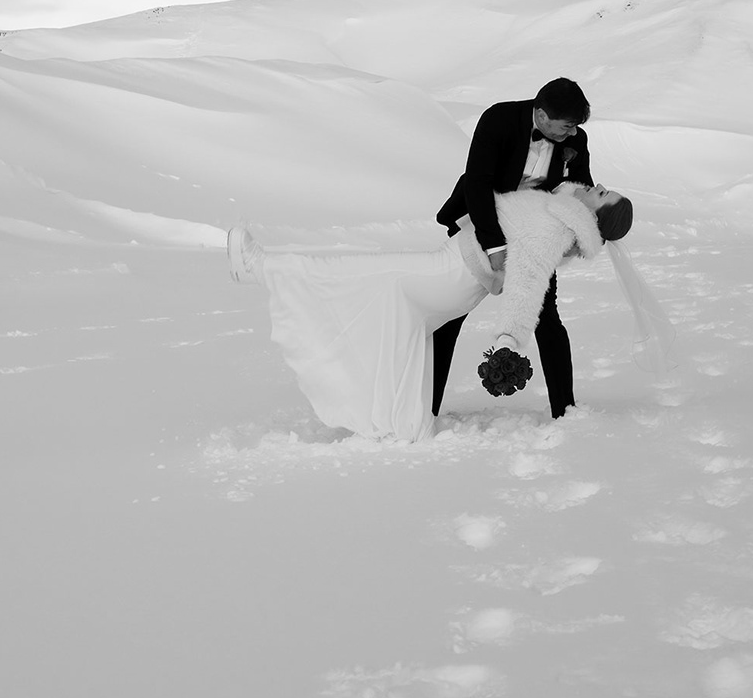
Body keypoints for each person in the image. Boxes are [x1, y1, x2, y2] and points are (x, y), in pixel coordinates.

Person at [229, 182, 637, 442]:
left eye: (604, 195)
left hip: (450, 275)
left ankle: (259, 266)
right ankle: (405, 422)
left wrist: (509, 339)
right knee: (382, 305)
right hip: (450, 269)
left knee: (355, 271)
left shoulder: (556, 228)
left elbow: (528, 284)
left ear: (594, 217)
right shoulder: (560, 208)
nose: (598, 186)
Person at [432, 78, 596, 420]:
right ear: (542, 115)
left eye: (575, 127)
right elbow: (477, 183)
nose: (572, 133)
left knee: (546, 316)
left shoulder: (575, 140)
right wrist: (493, 245)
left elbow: (581, 189)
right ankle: (426, 407)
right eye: (567, 126)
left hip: (533, 237)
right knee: (449, 314)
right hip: (480, 223)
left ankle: (565, 410)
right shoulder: (499, 119)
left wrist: (582, 233)